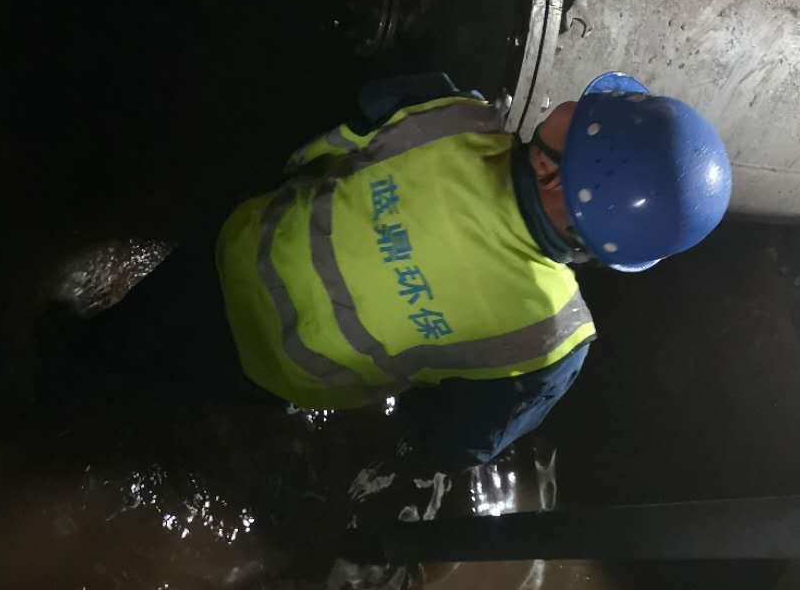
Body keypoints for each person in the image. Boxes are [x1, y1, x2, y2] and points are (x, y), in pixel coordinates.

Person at [39, 71, 731, 473]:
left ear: (556, 174)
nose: (577, 103)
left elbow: (317, 142)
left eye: (589, 118)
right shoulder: (553, 341)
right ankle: (94, 420)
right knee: (170, 391)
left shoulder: (451, 116)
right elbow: (458, 444)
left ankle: (66, 363)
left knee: (123, 338)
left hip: (231, 255)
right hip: (275, 370)